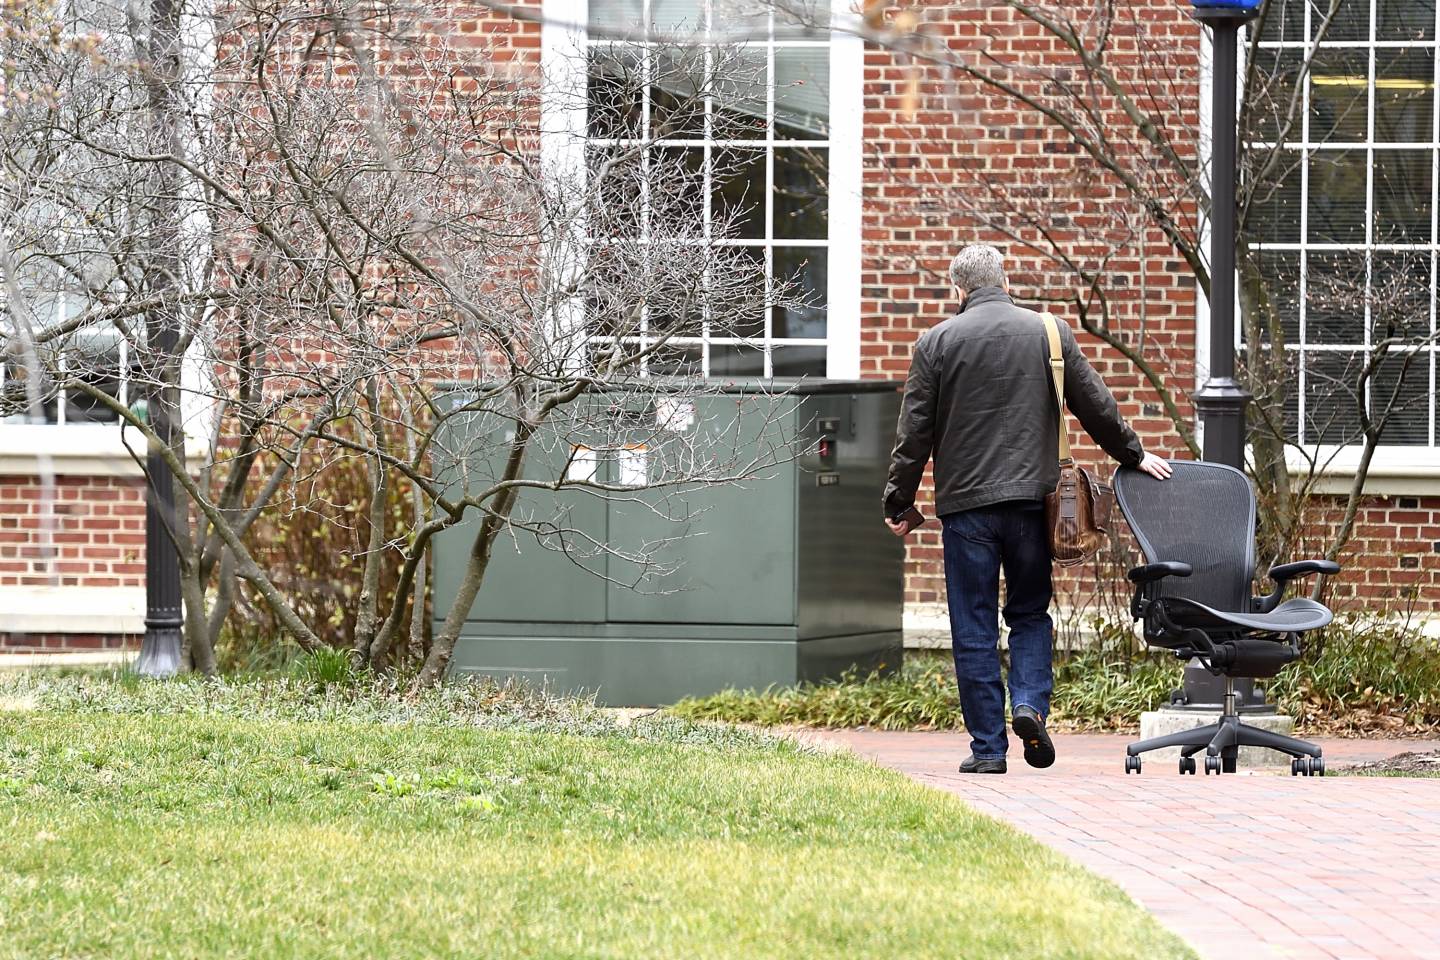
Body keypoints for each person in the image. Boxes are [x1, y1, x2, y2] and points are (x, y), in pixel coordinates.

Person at [883, 245, 1171, 774]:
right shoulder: (1050, 333)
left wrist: (899, 502)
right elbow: (1095, 405)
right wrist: (1135, 453)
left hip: (967, 510)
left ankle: (989, 751)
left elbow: (913, 435)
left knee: (973, 626)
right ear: (1004, 279)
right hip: (1034, 507)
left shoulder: (936, 343)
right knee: (1030, 614)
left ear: (958, 290)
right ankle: (1030, 706)